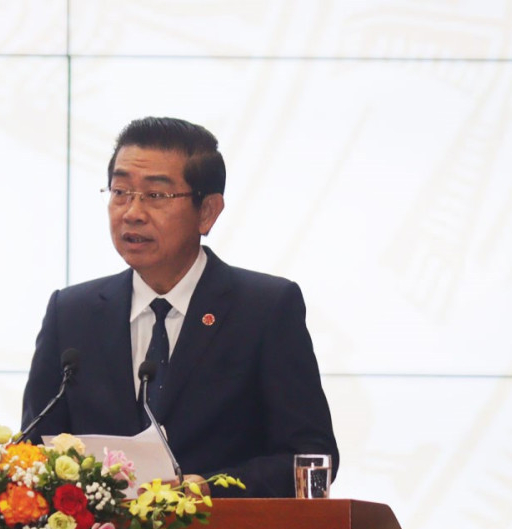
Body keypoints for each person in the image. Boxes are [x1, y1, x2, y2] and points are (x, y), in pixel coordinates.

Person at [21, 117, 338, 497]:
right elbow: (32, 450)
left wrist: (210, 489)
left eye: (156, 195)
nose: (132, 212)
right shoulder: (72, 313)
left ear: (207, 212)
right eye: (120, 191)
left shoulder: (264, 309)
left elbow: (310, 457)